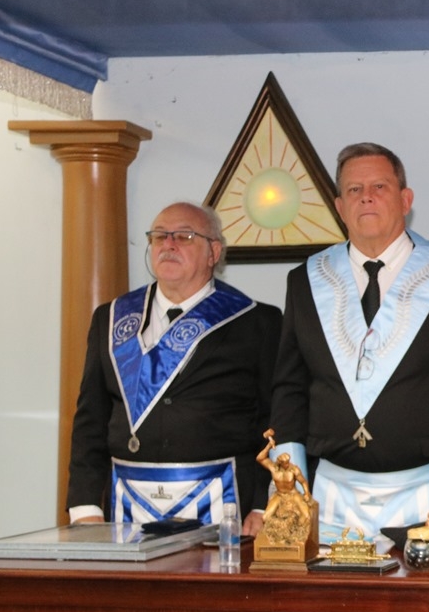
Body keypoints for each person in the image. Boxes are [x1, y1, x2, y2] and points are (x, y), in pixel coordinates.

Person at [268, 142, 429, 544]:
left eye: (379, 186)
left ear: (406, 200)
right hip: (330, 494)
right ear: (340, 207)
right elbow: (290, 388)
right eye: (354, 190)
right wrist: (287, 487)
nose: (366, 197)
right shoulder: (305, 281)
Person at [67, 202, 282, 526]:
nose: (168, 244)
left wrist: (265, 505)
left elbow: (274, 420)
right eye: (159, 236)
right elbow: (91, 419)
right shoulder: (111, 319)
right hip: (125, 503)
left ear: (213, 252)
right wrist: (85, 507)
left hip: (223, 502)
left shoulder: (257, 322)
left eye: (183, 236)